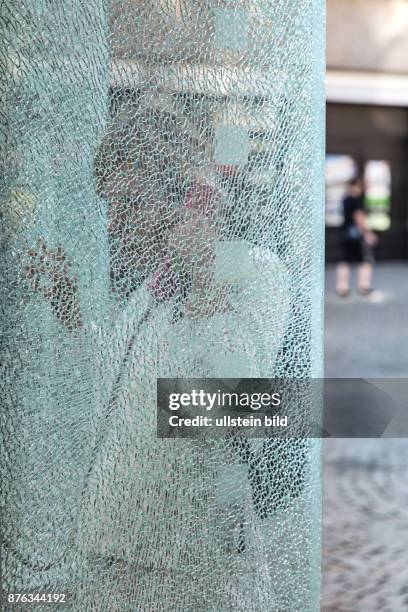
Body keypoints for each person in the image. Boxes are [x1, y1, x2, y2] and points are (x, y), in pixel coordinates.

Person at [336, 177, 378, 297]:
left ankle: (342, 287)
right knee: (366, 260)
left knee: (344, 260)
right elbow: (359, 218)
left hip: (345, 233)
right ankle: (364, 286)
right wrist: (368, 233)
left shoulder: (346, 199)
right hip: (356, 235)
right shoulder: (357, 200)